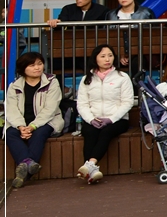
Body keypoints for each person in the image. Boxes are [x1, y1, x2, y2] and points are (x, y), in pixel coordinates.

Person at [75, 44, 134, 184]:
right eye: (103, 56)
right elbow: (82, 104)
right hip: (94, 117)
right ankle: (92, 171)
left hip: (117, 119)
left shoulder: (122, 77)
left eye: (110, 55)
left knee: (106, 132)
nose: (107, 59)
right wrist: (90, 119)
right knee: (89, 132)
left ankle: (89, 164)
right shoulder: (86, 79)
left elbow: (128, 102)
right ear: (95, 59)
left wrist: (111, 119)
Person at [5, 52, 63, 187]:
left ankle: (22, 171)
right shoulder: (14, 86)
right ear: (23, 68)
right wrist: (20, 126)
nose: (37, 68)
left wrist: (32, 126)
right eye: (32, 65)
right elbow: (11, 109)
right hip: (20, 123)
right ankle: (29, 164)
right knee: (10, 134)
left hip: (46, 121)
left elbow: (50, 109)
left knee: (39, 133)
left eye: (40, 64)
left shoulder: (51, 82)